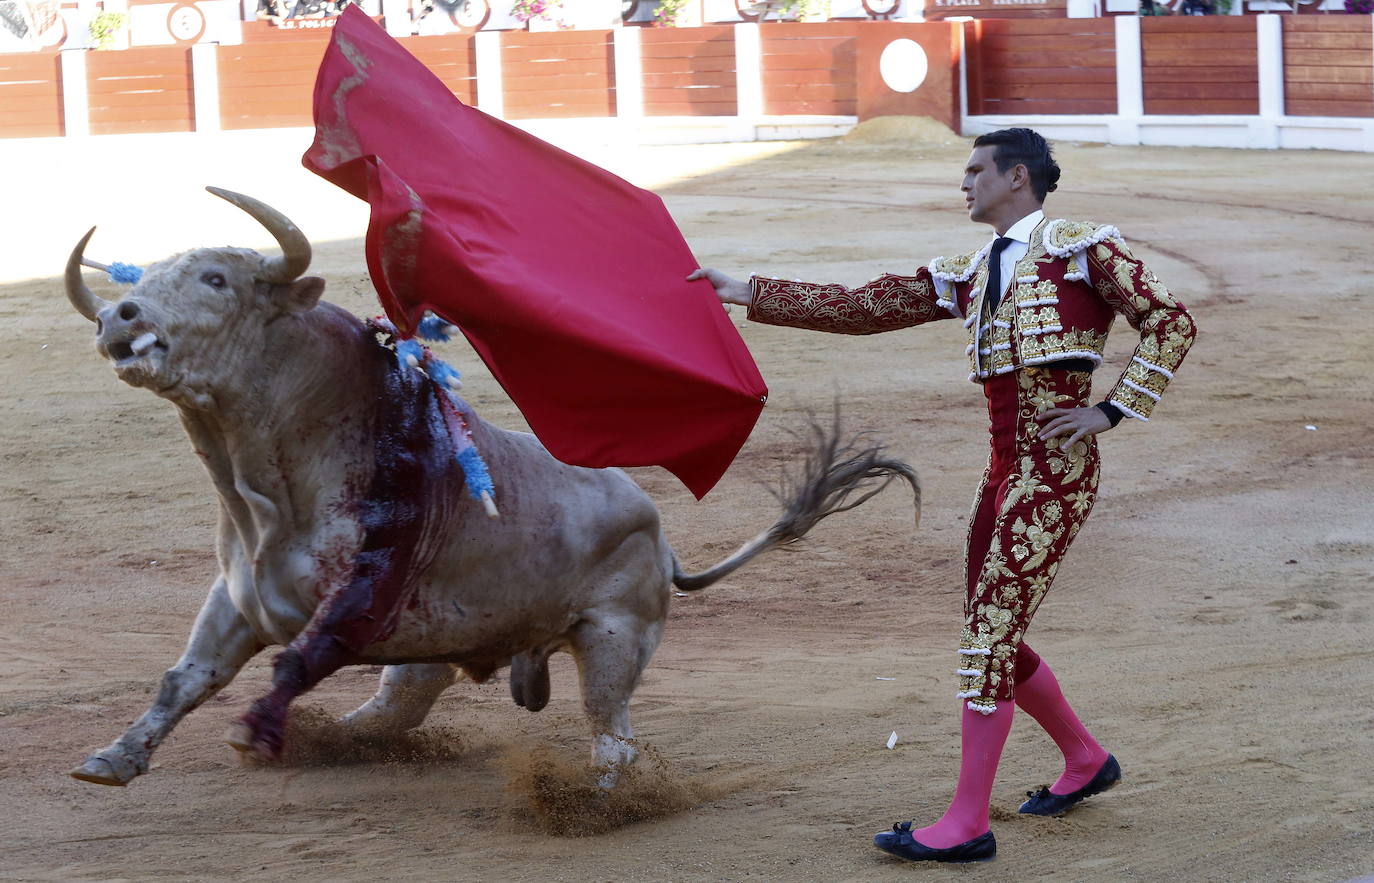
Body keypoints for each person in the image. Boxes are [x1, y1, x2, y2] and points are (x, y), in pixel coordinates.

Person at [688, 128, 1196, 864]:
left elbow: (1170, 322)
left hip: (1055, 473)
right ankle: (1085, 758)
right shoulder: (968, 269)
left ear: (1016, 177)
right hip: (999, 475)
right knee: (994, 630)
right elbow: (866, 306)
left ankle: (967, 822)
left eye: (974, 171)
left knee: (987, 634)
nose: (964, 184)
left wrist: (1108, 411)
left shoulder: (1085, 248)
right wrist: (748, 291)